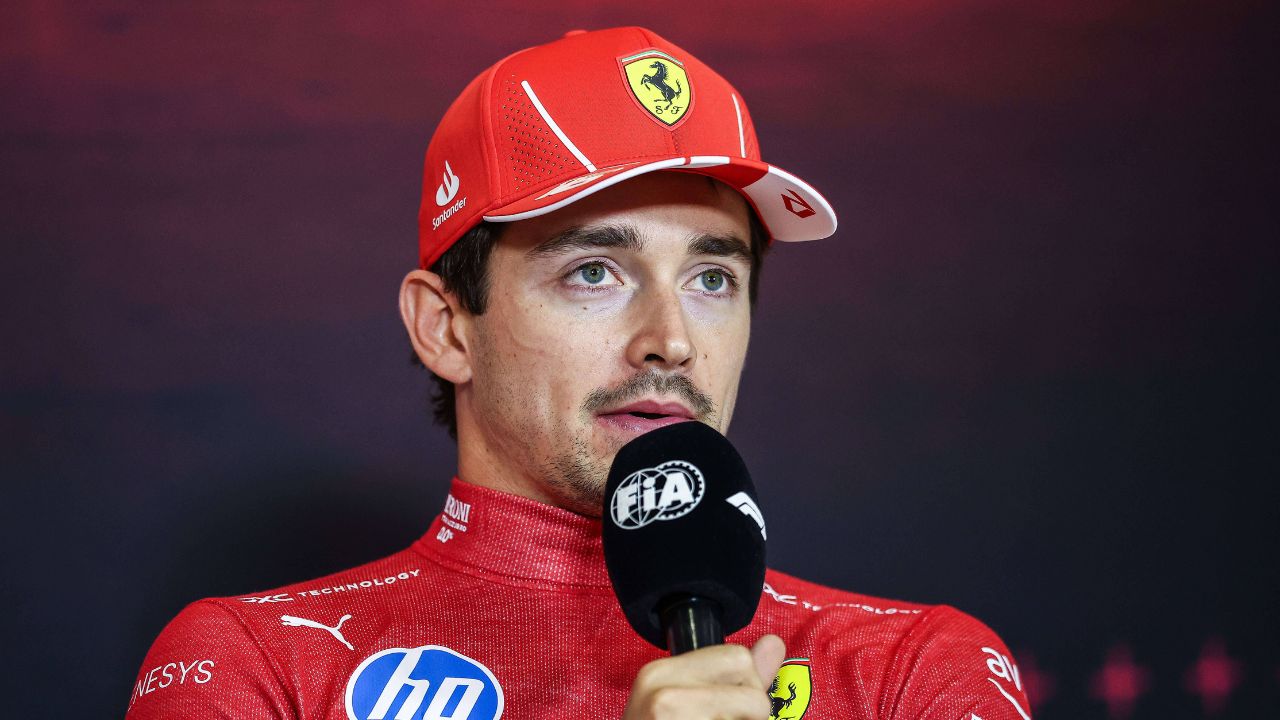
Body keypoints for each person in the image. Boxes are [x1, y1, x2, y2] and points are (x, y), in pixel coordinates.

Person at [126, 27, 1032, 720]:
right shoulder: (261, 666)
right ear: (446, 328)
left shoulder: (908, 669)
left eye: (713, 277)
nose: (670, 341)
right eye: (594, 272)